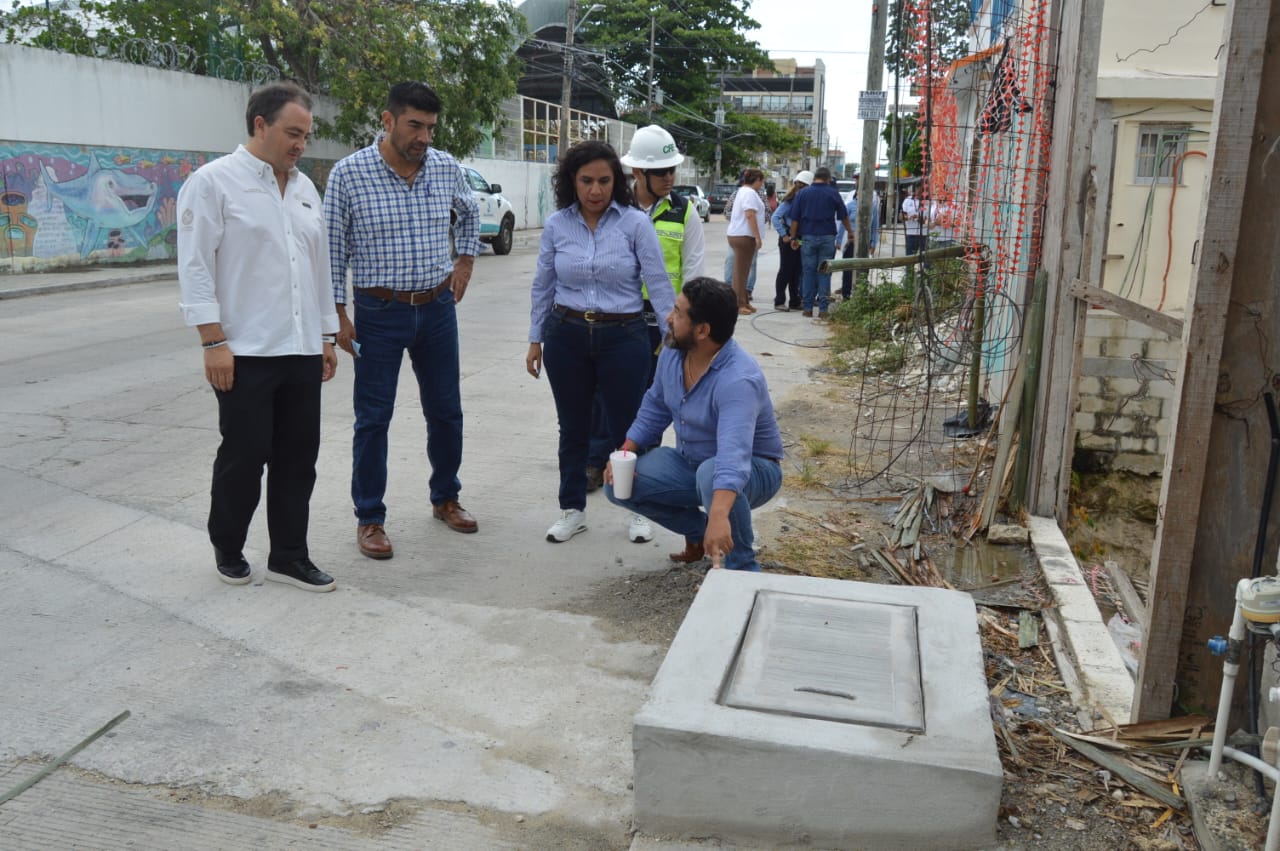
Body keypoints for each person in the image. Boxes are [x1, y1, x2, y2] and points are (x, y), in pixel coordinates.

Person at [177, 82, 340, 592]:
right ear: (260, 125)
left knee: (299, 458)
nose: (299, 144)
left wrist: (326, 336)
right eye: (292, 133)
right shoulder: (213, 183)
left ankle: (290, 554)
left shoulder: (305, 188)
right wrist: (211, 341)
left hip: (299, 350)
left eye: (305, 136)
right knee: (244, 457)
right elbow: (196, 266)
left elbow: (319, 268)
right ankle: (228, 545)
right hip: (243, 353)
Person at [325, 81, 481, 561]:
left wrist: (465, 261)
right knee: (373, 419)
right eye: (415, 125)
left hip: (436, 309)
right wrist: (338, 315)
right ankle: (369, 517)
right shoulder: (348, 175)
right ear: (388, 120)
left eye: (431, 127)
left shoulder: (445, 167)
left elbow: (470, 212)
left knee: (446, 410)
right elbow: (332, 248)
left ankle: (445, 497)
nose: (424, 137)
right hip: (378, 313)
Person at [526, 140, 676, 544]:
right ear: (571, 182)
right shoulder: (558, 224)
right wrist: (535, 338)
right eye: (587, 180)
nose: (596, 190)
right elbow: (544, 284)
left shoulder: (634, 223)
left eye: (604, 181)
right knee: (572, 427)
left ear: (618, 182)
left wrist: (672, 339)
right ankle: (572, 509)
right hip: (567, 335)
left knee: (629, 428)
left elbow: (659, 284)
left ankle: (638, 509)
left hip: (624, 337)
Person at [604, 277, 784, 572]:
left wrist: (720, 514)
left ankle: (743, 569)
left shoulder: (738, 379)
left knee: (712, 473)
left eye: (677, 312)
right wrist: (627, 449)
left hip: (753, 470)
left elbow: (733, 456)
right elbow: (655, 406)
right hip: (693, 464)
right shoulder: (673, 353)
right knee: (619, 485)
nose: (668, 318)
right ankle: (701, 534)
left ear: (702, 330)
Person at [583, 126, 705, 516]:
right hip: (621, 317)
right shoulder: (614, 209)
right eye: (661, 171)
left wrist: (685, 321)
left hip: (666, 322)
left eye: (672, 169)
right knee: (605, 391)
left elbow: (694, 269)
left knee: (657, 394)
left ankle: (645, 465)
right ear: (638, 173)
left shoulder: (685, 211)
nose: (670, 177)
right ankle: (595, 459)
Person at [789, 167, 853, 320]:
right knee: (824, 272)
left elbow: (795, 219)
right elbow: (843, 215)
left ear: (815, 178)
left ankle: (808, 308)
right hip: (827, 238)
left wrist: (793, 238)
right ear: (828, 179)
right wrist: (850, 232)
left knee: (808, 272)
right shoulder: (833, 193)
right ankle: (823, 310)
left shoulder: (803, 193)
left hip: (808, 238)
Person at [725, 168, 766, 314]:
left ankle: (744, 301)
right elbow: (750, 215)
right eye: (761, 181)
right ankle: (738, 304)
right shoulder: (749, 193)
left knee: (744, 269)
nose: (762, 184)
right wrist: (757, 236)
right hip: (744, 235)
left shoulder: (743, 191)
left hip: (737, 233)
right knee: (741, 272)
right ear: (757, 180)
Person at [770, 170, 812, 311]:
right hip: (788, 239)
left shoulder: (805, 201)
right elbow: (775, 217)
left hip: (799, 238)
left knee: (797, 271)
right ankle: (779, 301)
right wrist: (784, 235)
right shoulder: (790, 200)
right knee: (786, 271)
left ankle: (795, 301)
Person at [836, 186, 881, 300]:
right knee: (848, 269)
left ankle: (861, 296)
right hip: (851, 241)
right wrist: (839, 240)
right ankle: (846, 296)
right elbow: (842, 224)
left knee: (863, 269)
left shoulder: (873, 208)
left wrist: (873, 243)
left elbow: (875, 226)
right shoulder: (850, 206)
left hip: (865, 242)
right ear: (857, 194)